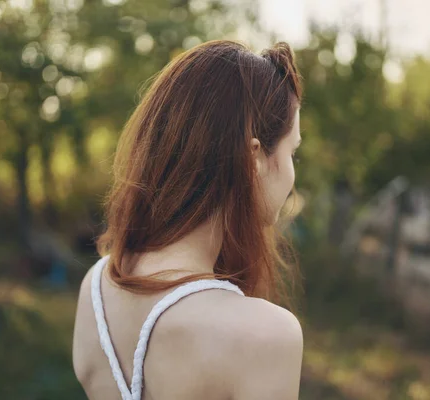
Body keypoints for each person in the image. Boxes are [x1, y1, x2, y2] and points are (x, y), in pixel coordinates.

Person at [72, 39, 304, 400]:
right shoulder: (266, 336)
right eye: (294, 153)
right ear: (253, 158)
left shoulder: (95, 290)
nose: (293, 174)